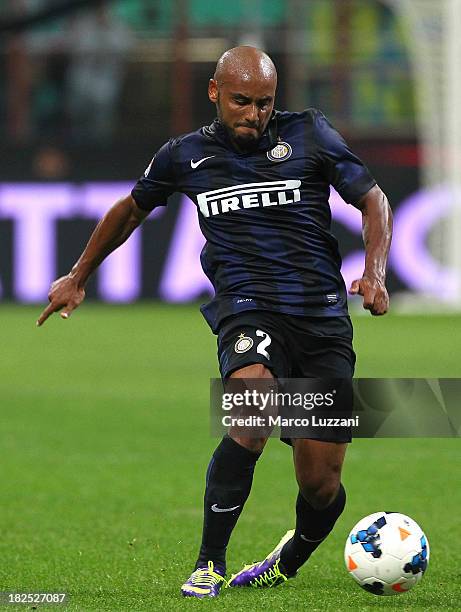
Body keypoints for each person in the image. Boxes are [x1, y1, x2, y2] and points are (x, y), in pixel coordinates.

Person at [37, 46, 392, 599]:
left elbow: (373, 200)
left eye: (264, 104)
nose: (253, 115)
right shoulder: (186, 155)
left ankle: (289, 557)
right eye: (241, 102)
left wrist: (375, 272)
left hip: (322, 317)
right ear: (215, 92)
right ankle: (210, 562)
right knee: (252, 410)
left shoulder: (310, 134)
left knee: (320, 485)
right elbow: (130, 209)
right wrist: (77, 275)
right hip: (247, 306)